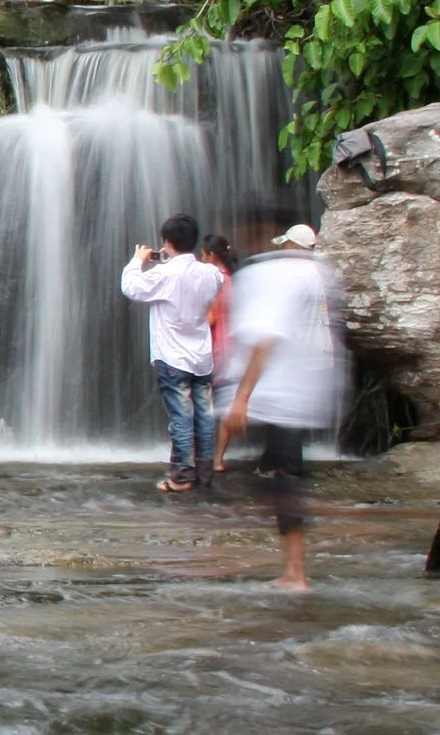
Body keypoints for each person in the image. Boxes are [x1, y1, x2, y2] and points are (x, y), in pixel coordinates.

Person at [218, 198, 348, 592]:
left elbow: (266, 339)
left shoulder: (270, 275)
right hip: (309, 386)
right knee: (280, 478)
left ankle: (296, 573)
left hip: (280, 394)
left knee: (278, 479)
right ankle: (295, 568)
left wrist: (241, 399)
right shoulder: (318, 272)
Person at [121, 213, 226, 493]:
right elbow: (209, 281)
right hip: (201, 357)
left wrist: (138, 260)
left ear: (166, 241)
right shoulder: (211, 273)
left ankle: (181, 476)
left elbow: (131, 287)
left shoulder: (163, 274)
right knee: (204, 415)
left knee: (181, 416)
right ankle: (204, 473)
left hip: (172, 357)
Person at [201, 235, 238, 471]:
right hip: (232, 349)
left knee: (203, 404)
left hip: (214, 349)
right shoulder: (231, 281)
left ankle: (205, 457)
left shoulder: (215, 282)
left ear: (211, 256)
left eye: (202, 255)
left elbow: (210, 318)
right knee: (226, 405)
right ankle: (218, 459)